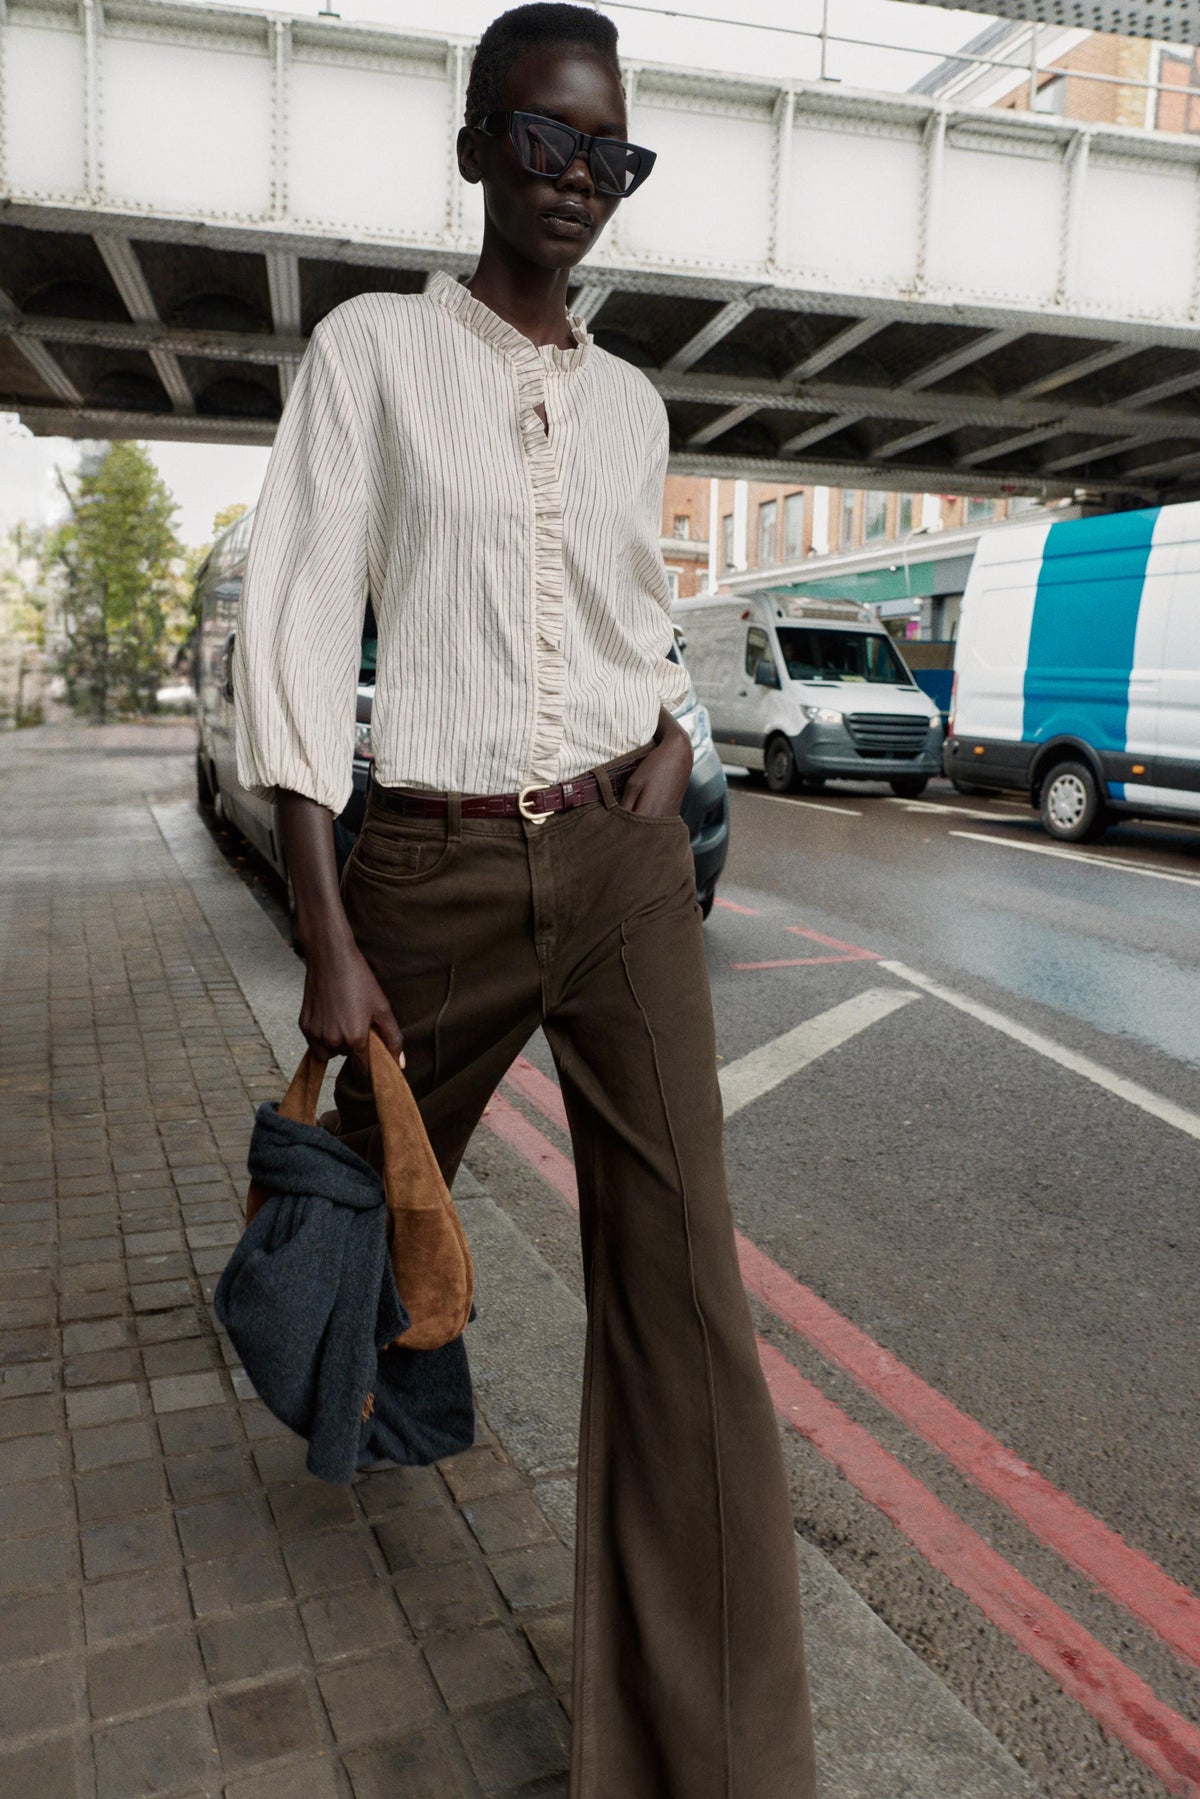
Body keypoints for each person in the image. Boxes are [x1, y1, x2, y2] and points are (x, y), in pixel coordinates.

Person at [234, 4, 817, 1792]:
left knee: (687, 1306)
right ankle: (387, 1383)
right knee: (347, 1194)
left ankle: (703, 1761)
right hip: (430, 861)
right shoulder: (372, 357)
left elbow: (645, 616)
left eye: (611, 156)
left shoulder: (637, 404)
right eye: (547, 141)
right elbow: (303, 623)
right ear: (479, 145)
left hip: (627, 863)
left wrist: (672, 731)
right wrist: (326, 938)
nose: (577, 180)